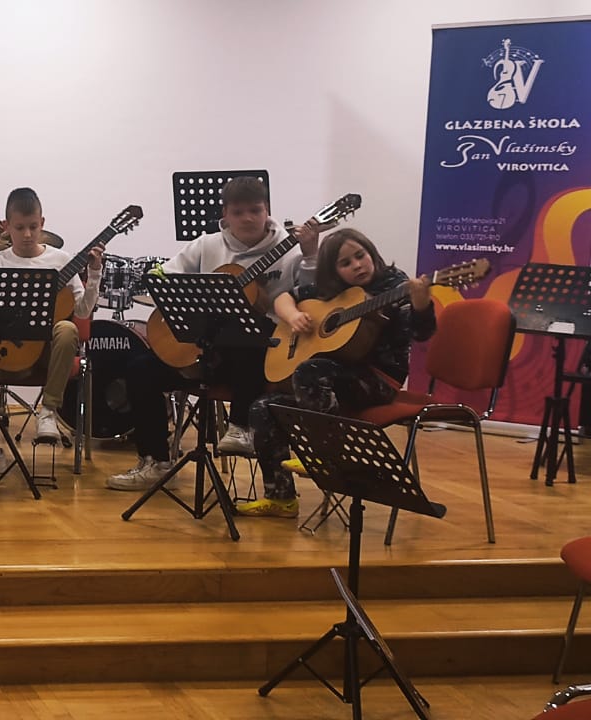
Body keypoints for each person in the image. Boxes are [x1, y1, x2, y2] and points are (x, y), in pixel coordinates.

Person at [107, 177, 320, 492]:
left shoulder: (288, 251)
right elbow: (165, 277)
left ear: (267, 209)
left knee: (249, 334)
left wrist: (311, 254)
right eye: (238, 212)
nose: (247, 218)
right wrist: (177, 292)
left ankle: (240, 427)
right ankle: (155, 461)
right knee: (140, 369)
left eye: (255, 210)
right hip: (205, 352)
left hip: (258, 359)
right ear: (225, 214)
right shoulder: (207, 245)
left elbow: (312, 296)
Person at [238, 229, 436, 518]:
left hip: (379, 380)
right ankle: (281, 498)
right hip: (334, 378)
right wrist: (293, 316)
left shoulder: (395, 284)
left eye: (360, 256)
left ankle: (327, 455)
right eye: (346, 263)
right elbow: (283, 297)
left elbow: (421, 333)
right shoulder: (332, 291)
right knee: (263, 407)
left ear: (371, 253)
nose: (357, 265)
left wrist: (421, 304)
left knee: (310, 370)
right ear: (334, 272)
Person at [0, 188, 101, 470]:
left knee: (67, 328)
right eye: (19, 227)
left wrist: (94, 274)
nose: (27, 234)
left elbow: (82, 312)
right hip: (4, 352)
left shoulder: (62, 261)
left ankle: (48, 411)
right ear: (7, 226)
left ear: (42, 223)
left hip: (46, 356)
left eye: (33, 226)